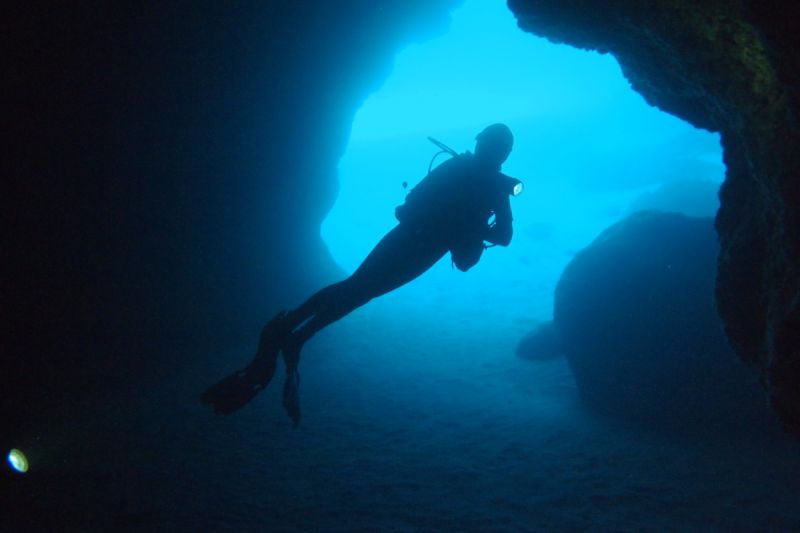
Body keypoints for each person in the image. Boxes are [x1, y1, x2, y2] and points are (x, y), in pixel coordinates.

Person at [202, 123, 519, 424]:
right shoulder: (486, 183)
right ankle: (294, 333)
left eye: (489, 147)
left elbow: (498, 234)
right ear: (499, 152)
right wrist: (470, 226)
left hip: (413, 242)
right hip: (419, 246)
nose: (486, 151)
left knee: (358, 289)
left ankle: (294, 331)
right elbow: (497, 233)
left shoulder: (483, 180)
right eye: (489, 147)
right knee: (358, 289)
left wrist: (465, 225)